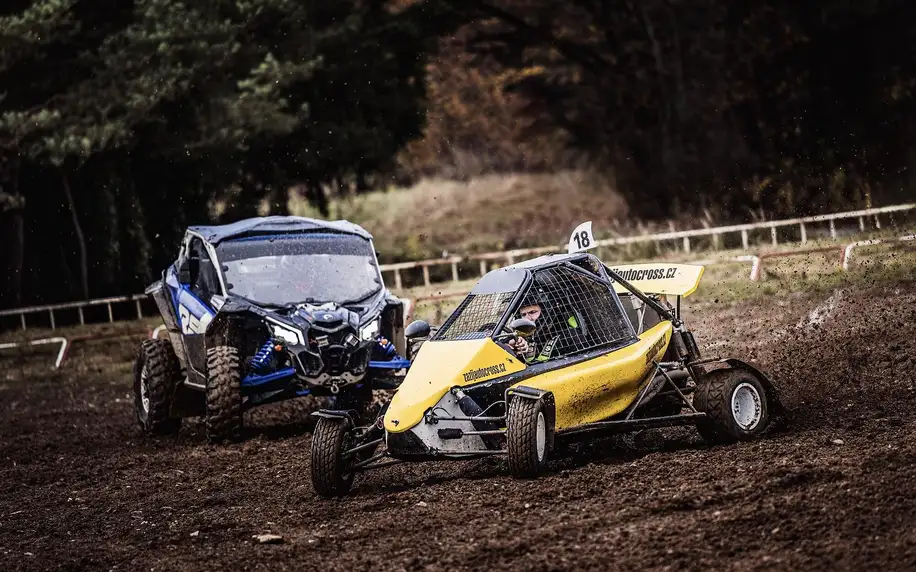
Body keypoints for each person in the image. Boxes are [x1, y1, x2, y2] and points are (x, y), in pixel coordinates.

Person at [506, 298, 581, 363]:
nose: (527, 318)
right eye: (523, 315)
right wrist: (512, 348)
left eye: (532, 312)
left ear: (545, 312)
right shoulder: (520, 338)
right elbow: (503, 345)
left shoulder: (569, 336)